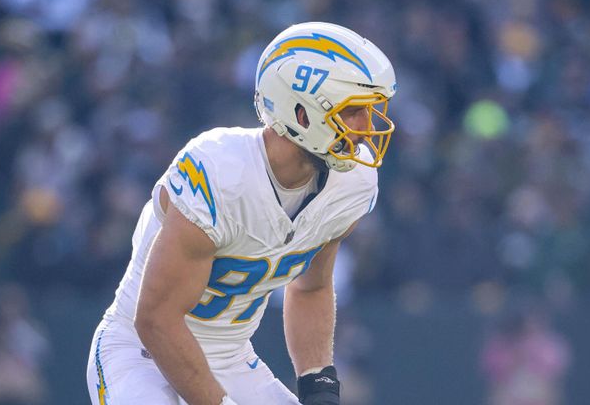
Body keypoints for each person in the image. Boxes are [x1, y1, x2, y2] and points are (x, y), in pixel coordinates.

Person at [87, 21, 396, 405]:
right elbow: (156, 319)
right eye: (354, 112)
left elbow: (311, 286)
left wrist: (319, 388)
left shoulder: (354, 182)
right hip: (141, 354)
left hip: (231, 360)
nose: (367, 130)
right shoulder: (220, 172)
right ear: (302, 112)